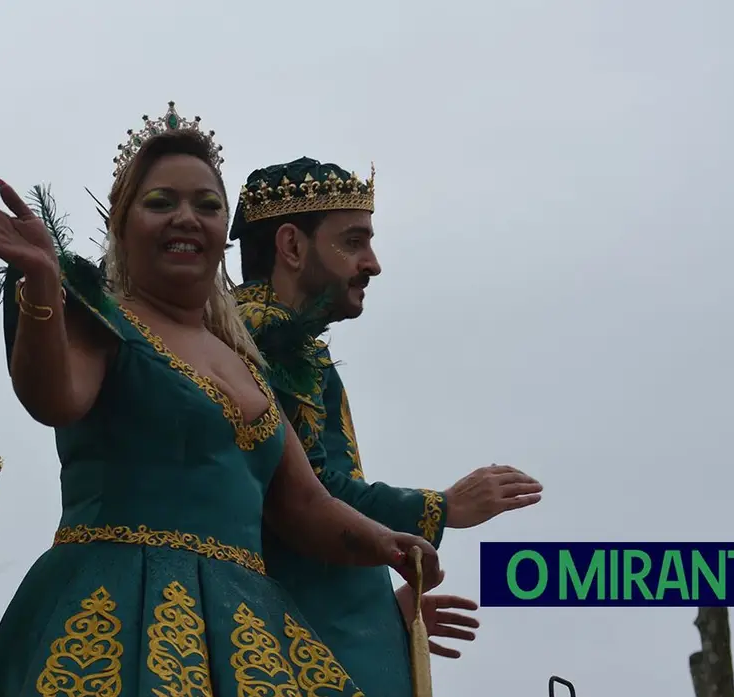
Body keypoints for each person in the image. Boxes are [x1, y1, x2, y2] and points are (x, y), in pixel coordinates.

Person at [0, 110, 443, 696]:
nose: (186, 218)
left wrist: (387, 541)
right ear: (123, 226)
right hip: (114, 609)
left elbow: (303, 504)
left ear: (223, 229)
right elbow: (53, 398)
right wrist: (43, 282)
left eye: (205, 204)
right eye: (161, 202)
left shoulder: (245, 360)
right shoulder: (105, 319)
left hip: (244, 628)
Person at [231, 156, 545, 693]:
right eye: (353, 242)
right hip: (287, 638)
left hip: (318, 620)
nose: (373, 263)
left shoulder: (284, 339)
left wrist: (378, 607)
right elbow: (308, 495)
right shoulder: (261, 336)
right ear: (291, 246)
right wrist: (442, 508)